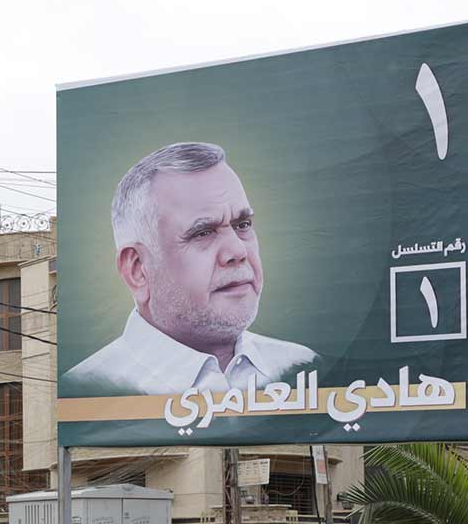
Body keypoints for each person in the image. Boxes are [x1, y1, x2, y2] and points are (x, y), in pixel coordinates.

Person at [63, 142, 314, 396]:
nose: (238, 252)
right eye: (203, 233)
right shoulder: (86, 392)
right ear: (138, 270)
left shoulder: (304, 368)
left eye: (243, 224)